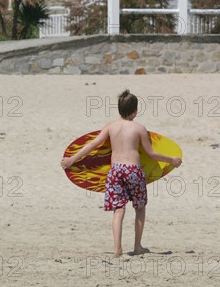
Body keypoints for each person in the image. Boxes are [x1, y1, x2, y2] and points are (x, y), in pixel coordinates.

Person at [61, 89, 182, 257]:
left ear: (119, 109)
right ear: (135, 110)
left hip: (115, 171)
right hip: (133, 171)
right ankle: (137, 247)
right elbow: (151, 154)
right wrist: (171, 160)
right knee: (139, 208)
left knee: (118, 209)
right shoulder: (139, 128)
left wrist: (72, 160)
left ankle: (117, 249)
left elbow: (93, 144)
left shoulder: (111, 127)